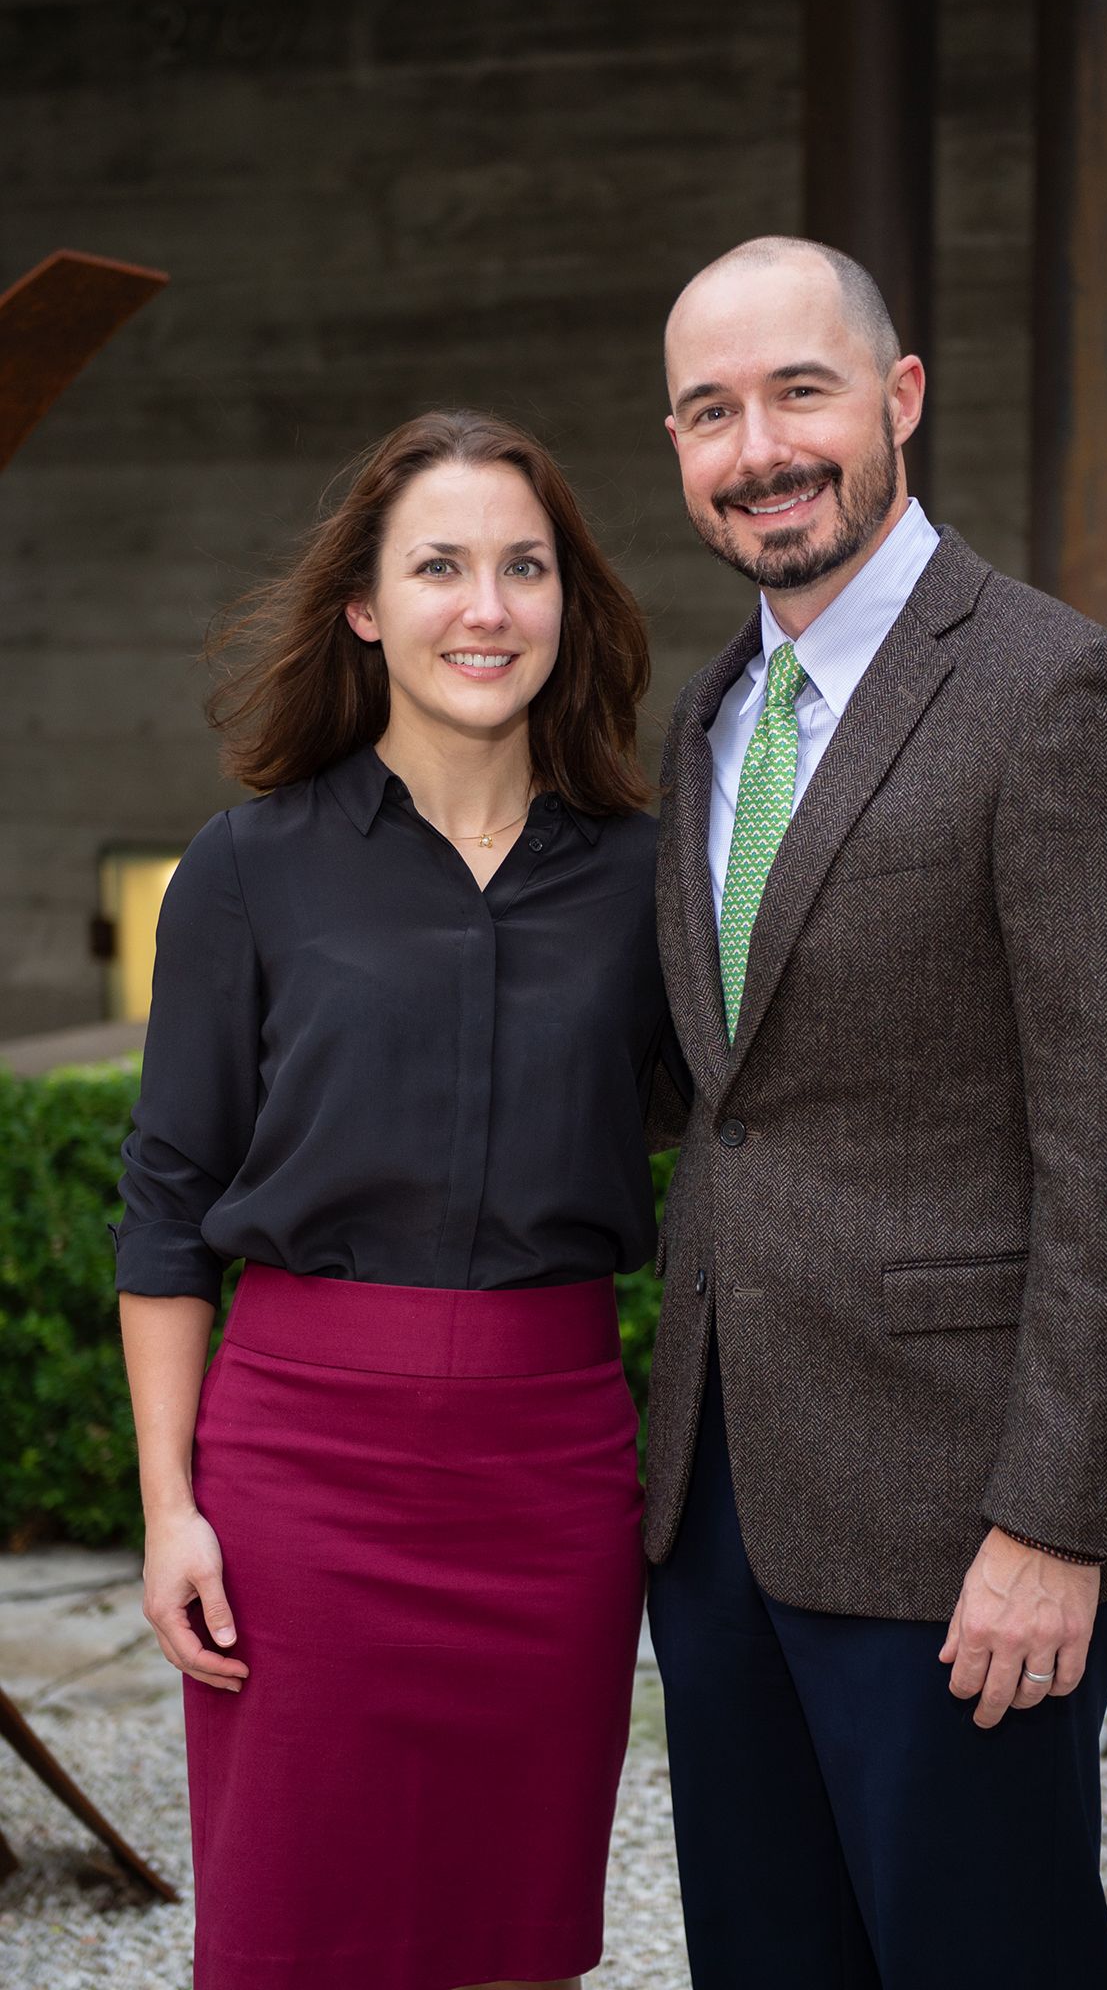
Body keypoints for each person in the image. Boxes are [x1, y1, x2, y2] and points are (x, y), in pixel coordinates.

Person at [644, 236, 1107, 1989]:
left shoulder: (1058, 695)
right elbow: (729, 1107)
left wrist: (1055, 1522)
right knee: (768, 1956)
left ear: (897, 401)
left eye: (799, 392)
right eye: (709, 411)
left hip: (958, 1521)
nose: (759, 449)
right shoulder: (709, 715)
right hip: (719, 1502)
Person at [115, 409, 687, 1990]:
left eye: (523, 566)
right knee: (293, 1938)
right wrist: (172, 1509)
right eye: (438, 566)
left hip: (555, 1473)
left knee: (515, 1938)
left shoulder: (648, 882)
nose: (484, 606)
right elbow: (168, 1203)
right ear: (366, 605)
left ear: (568, 604)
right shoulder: (246, 868)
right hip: (300, 1476)